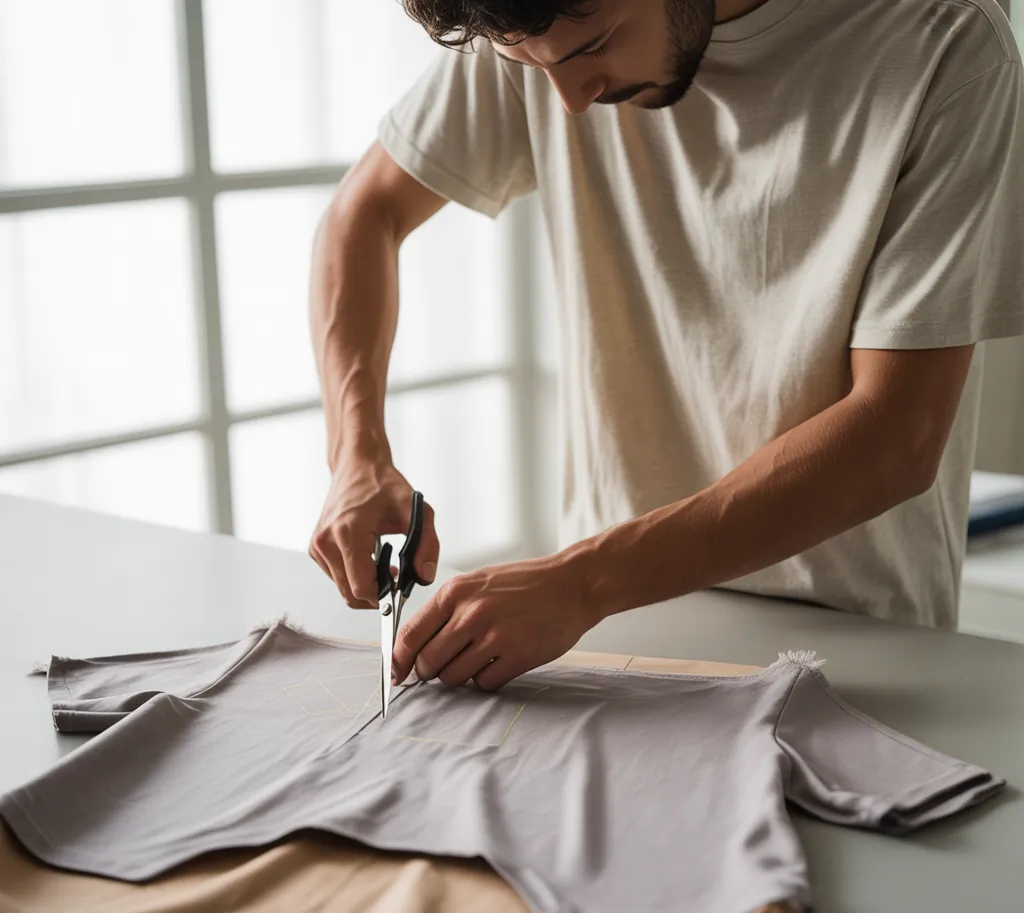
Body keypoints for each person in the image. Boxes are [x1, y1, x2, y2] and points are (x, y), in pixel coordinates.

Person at [308, 0, 1024, 691]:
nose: (571, 101)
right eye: (527, 65)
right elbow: (364, 213)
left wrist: (582, 578)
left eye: (593, 46)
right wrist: (356, 458)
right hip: (600, 630)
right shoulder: (537, 31)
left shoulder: (947, 40)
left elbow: (896, 437)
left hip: (856, 642)